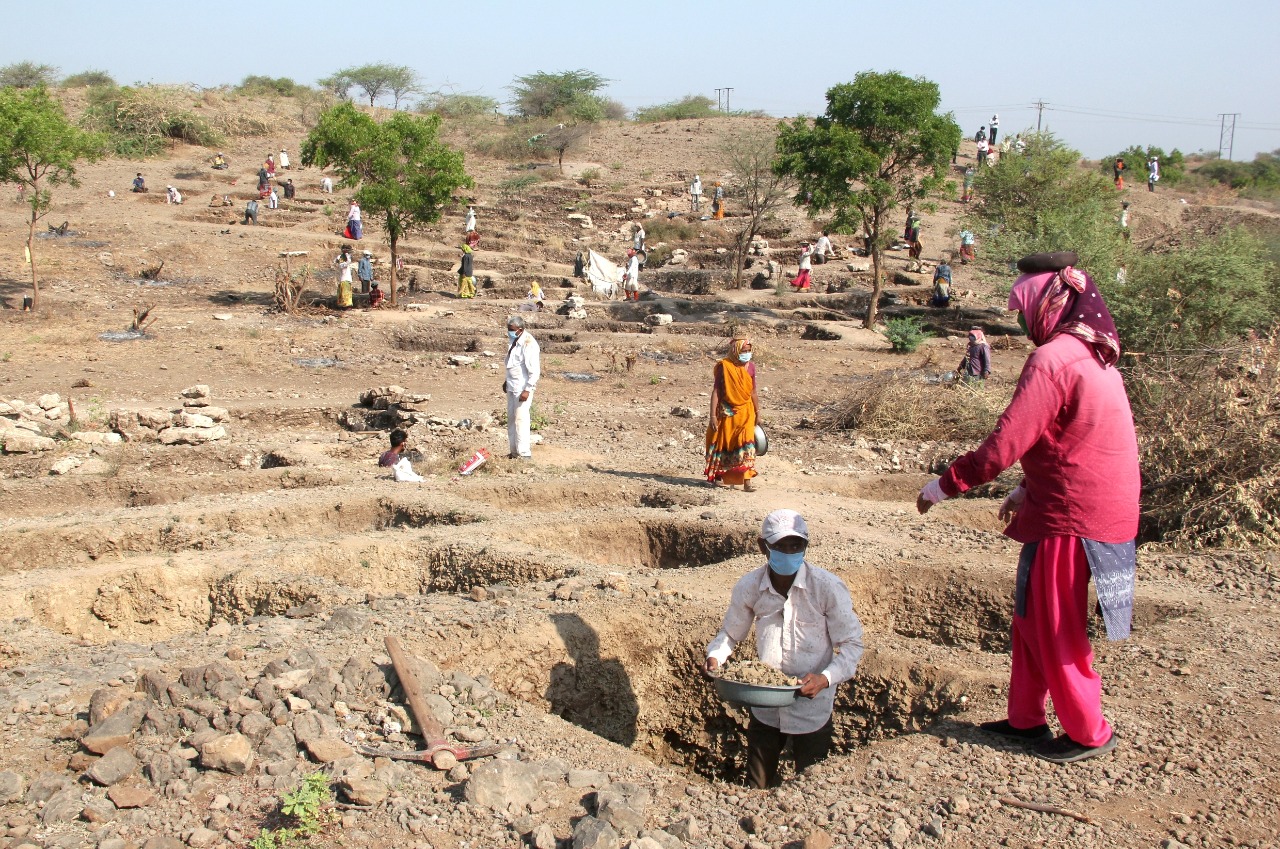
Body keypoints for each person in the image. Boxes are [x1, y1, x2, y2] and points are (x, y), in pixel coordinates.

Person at [916, 251, 1137, 765]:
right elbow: (1074, 440)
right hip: (1079, 505)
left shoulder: (1054, 359)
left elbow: (1004, 444)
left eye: (1023, 306)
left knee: (1054, 621)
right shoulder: (1095, 354)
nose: (1018, 319)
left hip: (1073, 516)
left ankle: (1088, 731)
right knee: (1029, 615)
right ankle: (1025, 719)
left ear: (1050, 301)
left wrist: (943, 486)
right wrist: (1026, 490)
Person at [703, 509, 864, 789]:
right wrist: (715, 656)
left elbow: (851, 645)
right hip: (765, 706)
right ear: (762, 547)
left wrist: (825, 678)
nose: (789, 552)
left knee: (811, 785)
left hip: (813, 709)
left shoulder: (826, 588)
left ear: (805, 547)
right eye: (780, 546)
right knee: (757, 784)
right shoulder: (750, 586)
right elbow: (730, 633)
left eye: (796, 546)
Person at [704, 336, 760, 491]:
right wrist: (713, 416)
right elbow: (716, 391)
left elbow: (753, 391)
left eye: (749, 351)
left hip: (746, 412)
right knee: (724, 443)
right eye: (744, 351)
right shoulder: (725, 366)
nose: (747, 354)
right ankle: (719, 476)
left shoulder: (751, 367)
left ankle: (747, 480)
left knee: (747, 444)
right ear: (736, 351)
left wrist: (758, 412)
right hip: (727, 411)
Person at [504, 316, 541, 460]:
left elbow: (534, 370)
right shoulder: (514, 341)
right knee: (512, 419)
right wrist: (506, 381)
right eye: (508, 329)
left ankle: (524, 453)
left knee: (521, 419)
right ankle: (514, 452)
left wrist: (528, 389)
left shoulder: (529, 343)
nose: (509, 332)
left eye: (512, 330)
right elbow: (513, 364)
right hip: (512, 385)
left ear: (520, 329)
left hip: (522, 387)